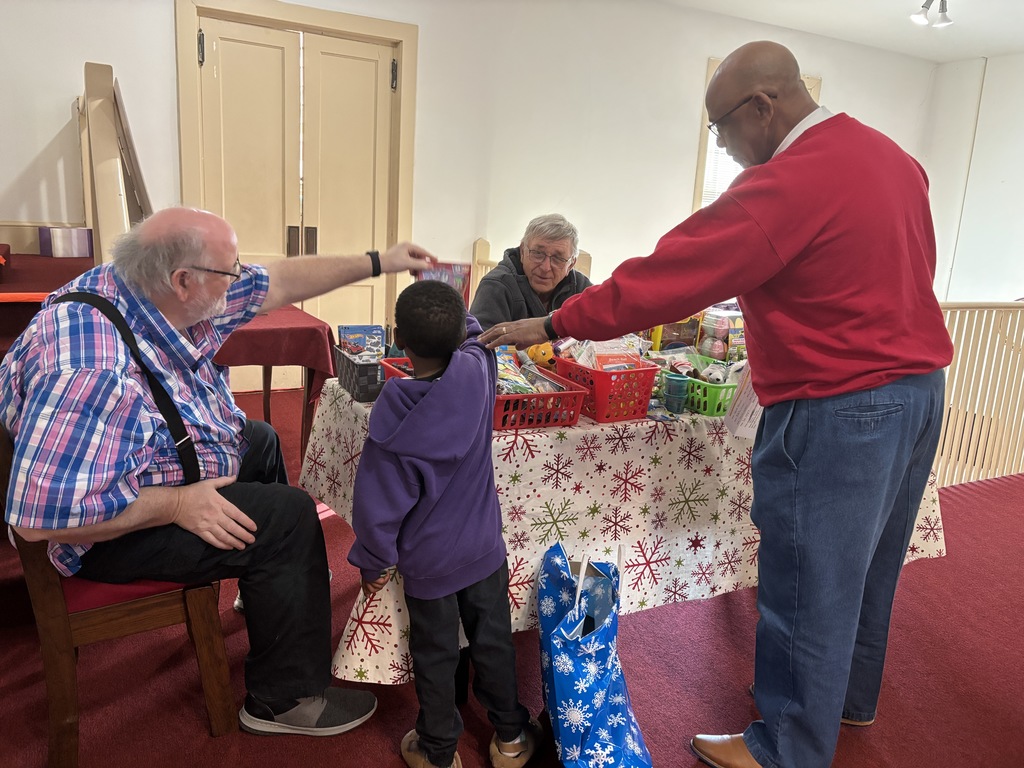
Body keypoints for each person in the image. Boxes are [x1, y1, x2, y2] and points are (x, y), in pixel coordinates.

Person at [481, 41, 953, 768]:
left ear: (761, 108)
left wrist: (554, 323)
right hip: (920, 394)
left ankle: (786, 747)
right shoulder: (892, 158)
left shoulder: (788, 183)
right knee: (867, 567)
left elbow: (673, 273)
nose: (725, 149)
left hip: (838, 405)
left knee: (807, 579)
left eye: (721, 130)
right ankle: (850, 700)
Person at [0, 207, 434, 737]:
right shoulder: (92, 371)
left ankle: (273, 589)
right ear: (184, 280)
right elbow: (38, 522)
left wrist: (379, 261)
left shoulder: (137, 285)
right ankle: (282, 701)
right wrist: (178, 504)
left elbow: (278, 280)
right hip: (105, 529)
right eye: (230, 271)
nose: (241, 279)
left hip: (141, 459)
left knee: (262, 441)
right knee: (292, 517)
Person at [347, 280, 541, 768]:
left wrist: (374, 560)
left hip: (429, 565)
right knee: (493, 641)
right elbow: (474, 331)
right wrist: (460, 323)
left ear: (398, 339)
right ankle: (511, 738)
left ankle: (438, 751)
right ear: (460, 335)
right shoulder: (479, 368)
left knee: (435, 656)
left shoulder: (392, 418)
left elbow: (377, 504)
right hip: (483, 550)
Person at [469, 213, 592, 331]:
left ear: (571, 265)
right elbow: (479, 346)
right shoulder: (495, 286)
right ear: (522, 251)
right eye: (538, 253)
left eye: (557, 258)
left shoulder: (581, 289)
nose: (545, 267)